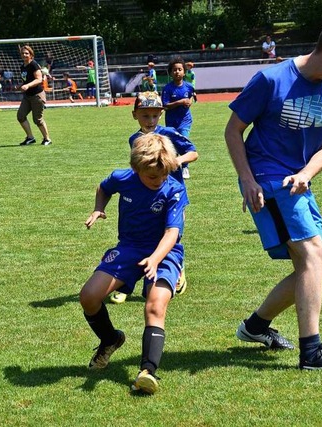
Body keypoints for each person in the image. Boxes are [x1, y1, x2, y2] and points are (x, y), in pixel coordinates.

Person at [224, 14, 322, 370]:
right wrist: (247, 178)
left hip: (298, 179)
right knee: (314, 255)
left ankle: (255, 326)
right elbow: (233, 131)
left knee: (310, 265)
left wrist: (307, 172)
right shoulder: (272, 79)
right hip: (267, 178)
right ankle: (312, 353)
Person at [79, 132, 188, 394]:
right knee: (89, 296)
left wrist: (155, 258)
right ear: (136, 168)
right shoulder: (122, 178)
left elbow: (172, 233)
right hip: (128, 248)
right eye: (153, 176)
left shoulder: (174, 190)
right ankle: (110, 339)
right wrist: (98, 207)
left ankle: (147, 371)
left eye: (164, 174)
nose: (159, 180)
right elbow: (104, 187)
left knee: (155, 304)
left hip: (164, 252)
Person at [110, 92, 198, 304]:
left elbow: (194, 152)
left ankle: (177, 269)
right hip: (145, 195)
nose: (150, 121)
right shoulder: (134, 139)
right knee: (141, 237)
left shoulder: (169, 133)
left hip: (172, 196)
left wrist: (178, 160)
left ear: (161, 115)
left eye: (154, 116)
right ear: (135, 115)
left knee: (171, 235)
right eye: (145, 116)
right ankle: (127, 282)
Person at [161, 57, 196, 179]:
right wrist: (180, 102)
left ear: (184, 72)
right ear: (170, 73)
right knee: (173, 145)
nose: (177, 72)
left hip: (185, 120)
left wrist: (189, 102)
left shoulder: (189, 86)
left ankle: (185, 167)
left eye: (180, 69)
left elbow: (192, 96)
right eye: (174, 70)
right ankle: (174, 167)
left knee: (183, 140)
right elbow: (165, 106)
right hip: (171, 122)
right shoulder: (167, 89)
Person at [17, 45, 52, 146]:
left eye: (26, 53)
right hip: (27, 96)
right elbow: (26, 80)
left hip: (37, 95)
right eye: (23, 53)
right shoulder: (23, 66)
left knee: (37, 119)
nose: (24, 55)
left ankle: (47, 139)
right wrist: (20, 86)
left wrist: (27, 85)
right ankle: (30, 137)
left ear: (31, 55)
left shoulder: (34, 65)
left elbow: (39, 79)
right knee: (21, 116)